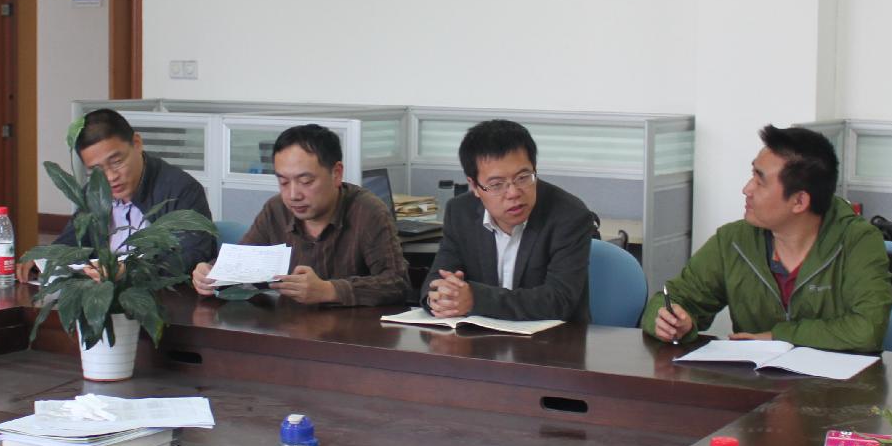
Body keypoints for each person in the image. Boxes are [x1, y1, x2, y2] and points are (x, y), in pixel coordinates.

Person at [641, 125, 891, 352]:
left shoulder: (859, 241)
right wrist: (668, 321)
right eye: (752, 175)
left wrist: (778, 337)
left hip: (835, 385)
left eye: (760, 182)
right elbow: (674, 298)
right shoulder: (733, 241)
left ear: (799, 201)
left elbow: (867, 330)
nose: (747, 189)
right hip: (754, 381)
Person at [192, 123, 408, 306]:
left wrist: (329, 290)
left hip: (351, 335)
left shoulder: (368, 211)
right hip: (288, 329)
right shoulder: (276, 210)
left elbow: (397, 283)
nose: (293, 195)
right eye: (283, 182)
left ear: (336, 173)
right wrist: (209, 272)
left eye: (306, 181)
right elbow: (243, 261)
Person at [419, 119, 594, 322]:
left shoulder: (569, 215)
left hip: (554, 338)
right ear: (474, 186)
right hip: (478, 337)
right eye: (497, 184)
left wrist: (476, 299)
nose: (513, 193)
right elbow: (438, 278)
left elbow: (559, 301)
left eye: (523, 177)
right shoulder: (460, 213)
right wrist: (440, 298)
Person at [22, 108, 217, 279]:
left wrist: (131, 271)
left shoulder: (180, 189)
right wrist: (44, 259)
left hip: (163, 300)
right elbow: (73, 241)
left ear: (137, 143)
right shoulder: (95, 191)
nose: (110, 177)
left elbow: (191, 256)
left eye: (116, 162)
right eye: (96, 170)